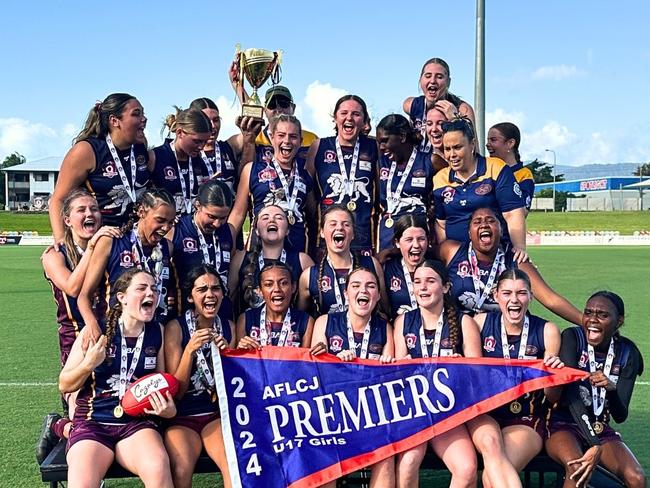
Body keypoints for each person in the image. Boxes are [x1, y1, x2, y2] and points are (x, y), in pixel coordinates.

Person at [59, 269, 175, 488]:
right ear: (121, 297)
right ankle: (61, 426)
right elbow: (64, 384)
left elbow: (161, 382)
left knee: (158, 469)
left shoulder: (157, 331)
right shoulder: (95, 332)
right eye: (141, 288)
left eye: (154, 289)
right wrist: (88, 365)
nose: (150, 293)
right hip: (94, 422)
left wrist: (168, 409)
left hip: (136, 424)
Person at [37, 189, 121, 461]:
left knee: (109, 406)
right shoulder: (54, 255)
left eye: (94, 209)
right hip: (75, 340)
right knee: (80, 417)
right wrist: (96, 247)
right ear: (67, 220)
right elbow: (73, 287)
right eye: (81, 210)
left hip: (109, 338)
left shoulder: (109, 247)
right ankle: (57, 425)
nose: (90, 214)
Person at [471, 269, 564, 488]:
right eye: (507, 293)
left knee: (490, 478)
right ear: (496, 295)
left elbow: (552, 398)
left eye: (522, 293)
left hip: (526, 419)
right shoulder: (480, 323)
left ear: (531, 296)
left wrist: (553, 377)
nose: (514, 300)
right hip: (486, 415)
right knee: (492, 461)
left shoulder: (546, 330)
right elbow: (468, 373)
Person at [393, 260, 482, 488]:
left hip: (448, 414)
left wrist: (462, 368)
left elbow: (478, 378)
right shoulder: (403, 322)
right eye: (417, 282)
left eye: (430, 281)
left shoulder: (465, 323)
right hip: (413, 413)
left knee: (467, 469)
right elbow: (396, 374)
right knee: (408, 463)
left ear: (445, 287)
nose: (423, 287)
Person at [545, 291, 646, 488]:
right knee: (578, 468)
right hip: (563, 425)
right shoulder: (572, 337)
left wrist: (612, 390)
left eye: (603, 315)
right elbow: (571, 394)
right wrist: (594, 442)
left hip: (600, 428)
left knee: (637, 478)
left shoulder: (628, 353)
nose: (592, 319)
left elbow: (620, 415)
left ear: (619, 321)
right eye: (588, 312)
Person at [311, 266, 395, 488]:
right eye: (356, 285)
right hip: (333, 414)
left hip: (371, 415)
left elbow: (389, 382)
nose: (363, 291)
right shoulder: (325, 322)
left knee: (386, 456)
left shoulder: (385, 328)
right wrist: (336, 363)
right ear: (346, 292)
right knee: (325, 458)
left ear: (377, 294)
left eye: (370, 286)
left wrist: (386, 367)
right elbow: (314, 373)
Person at [440, 207, 583, 325]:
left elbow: (550, 299)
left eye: (491, 221)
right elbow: (425, 264)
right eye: (477, 222)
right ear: (469, 233)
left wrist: (586, 322)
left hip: (503, 336)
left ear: (501, 230)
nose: (484, 224)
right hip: (460, 332)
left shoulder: (516, 260)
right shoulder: (451, 251)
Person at [163, 264, 234, 488]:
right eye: (202, 289)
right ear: (191, 297)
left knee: (233, 465)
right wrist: (189, 351)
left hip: (216, 415)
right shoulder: (176, 327)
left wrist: (226, 356)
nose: (210, 294)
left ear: (222, 293)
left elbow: (234, 386)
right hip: (183, 416)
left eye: (215, 289)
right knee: (181, 469)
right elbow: (177, 391)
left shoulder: (229, 326)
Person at [49, 93, 151, 241]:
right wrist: (61, 241)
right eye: (136, 114)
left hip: (135, 239)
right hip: (99, 240)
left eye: (143, 113)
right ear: (114, 121)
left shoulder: (140, 147)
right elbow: (58, 199)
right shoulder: (86, 150)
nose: (144, 118)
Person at [78, 188, 177, 340]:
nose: (166, 228)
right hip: (114, 331)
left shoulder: (167, 247)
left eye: (170, 222)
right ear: (141, 212)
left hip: (151, 333)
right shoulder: (111, 241)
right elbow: (84, 296)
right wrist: (92, 326)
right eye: (160, 220)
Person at [433, 118, 526, 254]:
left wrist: (519, 248)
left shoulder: (496, 168)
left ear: (472, 145)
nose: (452, 155)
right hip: (458, 260)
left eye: (457, 147)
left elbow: (513, 213)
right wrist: (445, 256)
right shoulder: (440, 178)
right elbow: (441, 225)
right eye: (447, 149)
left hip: (495, 254)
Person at [229, 114, 313, 253]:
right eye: (281, 135)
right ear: (272, 137)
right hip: (259, 250)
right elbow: (238, 214)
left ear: (300, 141)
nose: (287, 141)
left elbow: (312, 217)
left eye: (293, 136)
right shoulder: (252, 169)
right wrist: (228, 246)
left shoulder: (305, 173)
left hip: (296, 252)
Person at [305, 95, 378, 255]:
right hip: (326, 238)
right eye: (344, 113)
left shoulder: (374, 146)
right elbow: (306, 188)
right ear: (335, 118)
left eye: (356, 114)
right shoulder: (319, 146)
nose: (349, 118)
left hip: (363, 238)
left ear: (364, 121)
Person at [297, 205, 387, 316]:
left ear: (353, 234)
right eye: (333, 224)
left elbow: (386, 310)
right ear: (321, 232)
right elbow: (301, 319)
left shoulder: (372, 265)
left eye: (346, 224)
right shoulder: (309, 276)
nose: (339, 228)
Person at [168, 179, 235, 320]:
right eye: (211, 216)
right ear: (197, 205)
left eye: (223, 217)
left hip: (221, 314)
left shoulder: (229, 230)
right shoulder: (176, 230)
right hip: (187, 315)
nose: (217, 224)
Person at [229, 204, 314, 312]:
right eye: (265, 218)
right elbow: (229, 299)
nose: (272, 220)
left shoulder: (303, 260)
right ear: (257, 231)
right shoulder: (241, 258)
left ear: (287, 230)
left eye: (279, 217)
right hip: (248, 327)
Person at [375, 114, 433, 252]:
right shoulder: (381, 162)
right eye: (379, 142)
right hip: (387, 238)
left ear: (402, 136)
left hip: (416, 240)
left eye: (385, 141)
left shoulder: (430, 162)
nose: (381, 147)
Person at [403, 58, 476, 153]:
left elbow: (474, 152)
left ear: (448, 82)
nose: (433, 81)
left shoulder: (462, 109)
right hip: (419, 165)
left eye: (439, 77)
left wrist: (454, 119)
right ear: (420, 79)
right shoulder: (411, 105)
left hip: (447, 165)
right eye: (428, 76)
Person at [236, 262, 314, 349]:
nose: (277, 289)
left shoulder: (306, 321)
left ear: (293, 287)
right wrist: (241, 351)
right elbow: (238, 360)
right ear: (260, 291)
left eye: (283, 283)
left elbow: (306, 360)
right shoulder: (245, 319)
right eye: (269, 284)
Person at [150, 108, 212, 215]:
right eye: (196, 141)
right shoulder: (155, 157)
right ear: (180, 133)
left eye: (205, 141)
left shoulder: (200, 161)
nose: (201, 147)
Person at [188, 97, 240, 194]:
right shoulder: (186, 153)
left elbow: (250, 134)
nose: (213, 126)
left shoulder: (231, 145)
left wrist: (238, 89)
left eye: (216, 120)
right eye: (206, 121)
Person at [381, 215, 430, 319]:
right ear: (397, 242)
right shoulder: (387, 269)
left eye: (421, 239)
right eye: (409, 239)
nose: (416, 245)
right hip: (399, 332)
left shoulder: (436, 268)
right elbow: (385, 309)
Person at [486, 123, 535, 213]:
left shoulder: (524, 174)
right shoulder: (485, 169)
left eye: (493, 140)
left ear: (510, 143)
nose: (487, 144)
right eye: (488, 140)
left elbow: (523, 212)